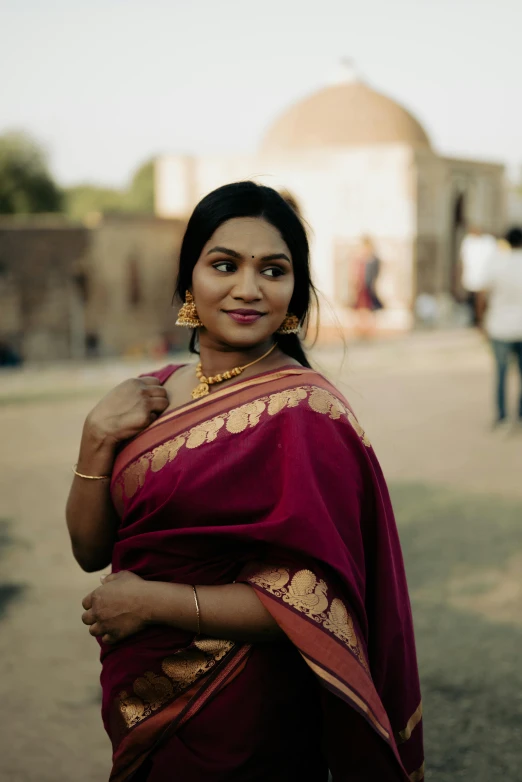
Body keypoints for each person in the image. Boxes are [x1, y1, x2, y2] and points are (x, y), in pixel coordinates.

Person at [66, 182, 424, 782]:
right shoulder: (151, 391)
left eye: (274, 270)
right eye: (224, 265)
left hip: (247, 713)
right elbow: (89, 550)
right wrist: (95, 437)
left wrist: (150, 602)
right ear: (188, 282)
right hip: (139, 696)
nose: (248, 289)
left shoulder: (306, 413)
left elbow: (316, 600)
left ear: (296, 292)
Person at [479, 227, 522, 429]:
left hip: (500, 326)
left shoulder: (497, 263)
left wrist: (481, 320)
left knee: (501, 373)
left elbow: (482, 295)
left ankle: (502, 416)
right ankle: (520, 415)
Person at [459, 225, 497, 325]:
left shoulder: (488, 242)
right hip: (474, 276)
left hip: (484, 276)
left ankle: (480, 319)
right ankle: (477, 319)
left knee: (482, 298)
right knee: (475, 299)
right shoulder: (469, 242)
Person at [351, 237, 383, 337]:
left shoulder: (374, 260)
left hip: (369, 286)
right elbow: (356, 273)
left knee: (370, 307)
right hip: (361, 287)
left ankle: (369, 329)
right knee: (361, 307)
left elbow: (374, 274)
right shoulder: (360, 259)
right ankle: (361, 329)